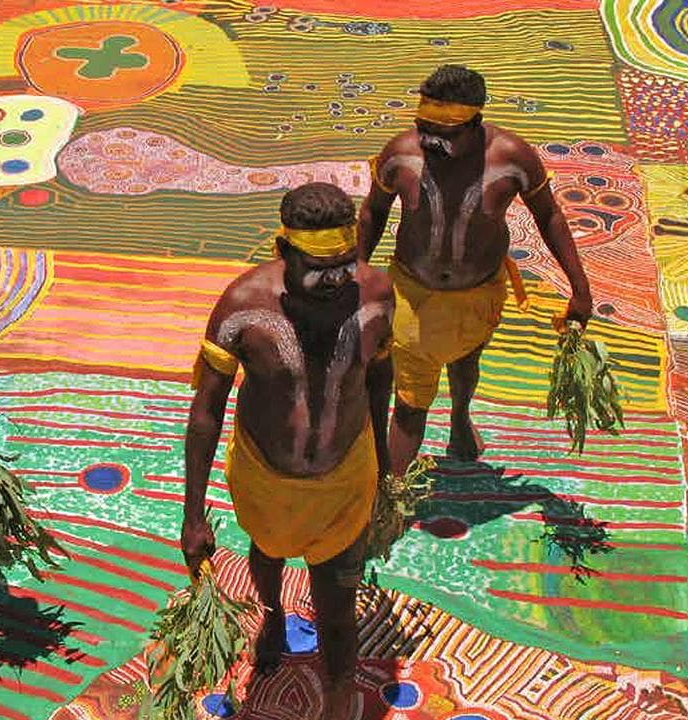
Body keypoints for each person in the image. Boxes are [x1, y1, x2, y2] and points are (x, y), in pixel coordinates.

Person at [182, 183, 394, 719]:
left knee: (337, 607)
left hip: (345, 480)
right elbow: (206, 411)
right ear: (284, 251)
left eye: (345, 264)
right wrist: (193, 514)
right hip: (265, 478)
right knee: (268, 550)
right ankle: (273, 614)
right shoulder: (241, 307)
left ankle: (337, 702)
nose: (336, 281)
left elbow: (379, 379)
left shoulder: (376, 296)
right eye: (319, 269)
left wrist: (385, 469)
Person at [358, 64, 593, 476]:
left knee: (466, 361)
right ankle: (389, 490)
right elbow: (372, 212)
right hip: (413, 294)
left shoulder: (511, 158)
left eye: (444, 134)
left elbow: (549, 216)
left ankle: (460, 417)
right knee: (410, 404)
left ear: (474, 124)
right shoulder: (402, 154)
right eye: (424, 129)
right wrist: (356, 274)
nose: (430, 142)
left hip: (480, 292)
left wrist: (580, 287)